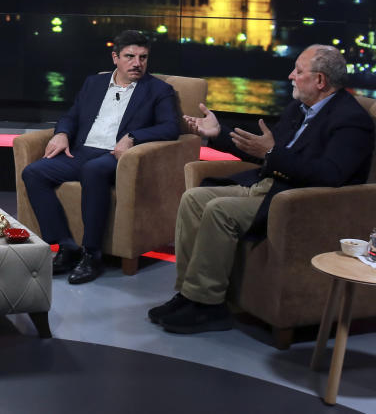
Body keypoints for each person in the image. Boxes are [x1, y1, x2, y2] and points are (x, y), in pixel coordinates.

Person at [149, 45, 374, 334]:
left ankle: (208, 305)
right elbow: (261, 149)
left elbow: (330, 175)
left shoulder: (351, 120)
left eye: (299, 71)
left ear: (320, 81)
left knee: (219, 211)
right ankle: (188, 295)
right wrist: (219, 133)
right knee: (194, 199)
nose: (291, 76)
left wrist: (273, 154)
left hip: (295, 200)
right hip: (267, 186)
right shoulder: (298, 108)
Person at [21, 30, 180, 284]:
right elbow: (72, 116)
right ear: (115, 57)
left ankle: (91, 254)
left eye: (143, 57)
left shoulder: (158, 90)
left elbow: (171, 128)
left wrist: (133, 137)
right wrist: (62, 133)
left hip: (116, 157)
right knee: (34, 172)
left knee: (93, 170)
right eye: (130, 56)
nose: (137, 63)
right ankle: (66, 246)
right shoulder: (94, 83)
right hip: (82, 151)